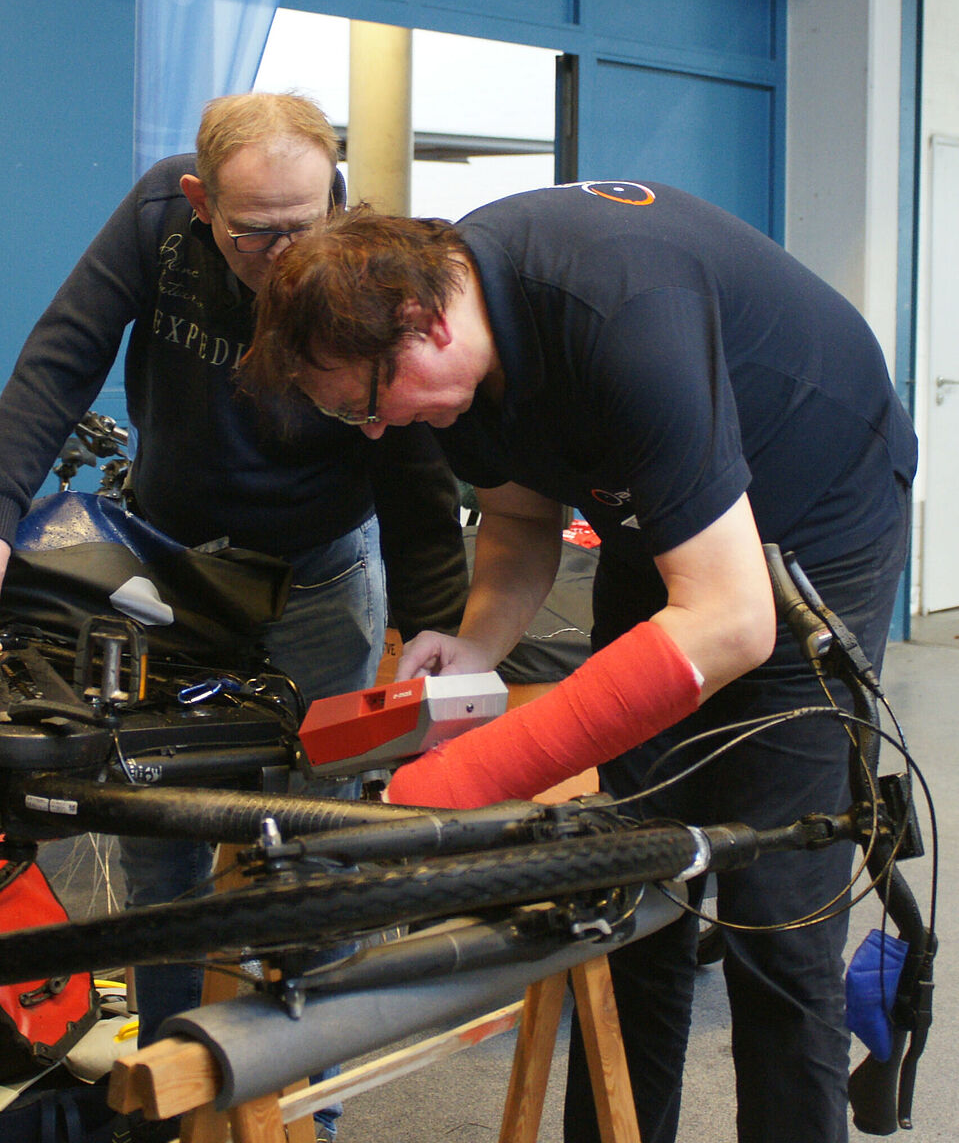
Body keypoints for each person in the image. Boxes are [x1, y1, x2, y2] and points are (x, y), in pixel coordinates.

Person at [242, 181, 917, 1143]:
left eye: (368, 407)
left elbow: (729, 624)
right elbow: (522, 521)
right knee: (624, 888)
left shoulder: (618, 311)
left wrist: (463, 778)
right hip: (664, 526)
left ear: (421, 321)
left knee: (775, 909)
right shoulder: (462, 365)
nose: (380, 432)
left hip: (816, 516)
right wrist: (476, 647)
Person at [0, 93, 468, 1139]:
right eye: (253, 231)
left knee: (322, 837)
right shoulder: (156, 224)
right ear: (200, 200)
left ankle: (311, 1105)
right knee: (166, 833)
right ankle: (164, 1103)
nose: (279, 253)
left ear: (334, 193)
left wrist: (439, 613)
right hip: (172, 571)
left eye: (304, 222)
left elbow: (415, 448)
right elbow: (57, 362)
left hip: (322, 575)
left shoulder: (356, 256)